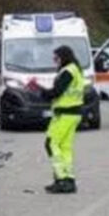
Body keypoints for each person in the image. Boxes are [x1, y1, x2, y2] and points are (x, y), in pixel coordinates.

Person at [37, 45, 86, 194]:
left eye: (56, 58)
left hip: (65, 113)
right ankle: (69, 179)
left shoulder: (67, 72)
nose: (55, 61)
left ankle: (61, 178)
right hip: (74, 113)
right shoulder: (75, 70)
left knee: (51, 144)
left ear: (63, 57)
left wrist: (39, 90)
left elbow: (56, 92)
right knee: (65, 147)